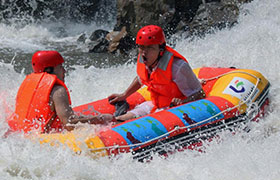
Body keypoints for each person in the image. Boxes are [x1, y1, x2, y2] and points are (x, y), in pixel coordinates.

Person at [108, 25, 205, 121]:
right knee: (120, 119)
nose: (144, 53)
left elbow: (200, 94)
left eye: (150, 48)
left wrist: (183, 102)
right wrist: (124, 95)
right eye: (141, 47)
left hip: (175, 110)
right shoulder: (145, 59)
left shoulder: (177, 67)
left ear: (161, 49)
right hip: (155, 105)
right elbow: (140, 78)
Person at [7, 50, 114, 134]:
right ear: (49, 70)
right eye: (60, 67)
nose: (64, 71)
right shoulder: (57, 90)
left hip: (21, 135)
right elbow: (69, 124)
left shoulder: (27, 84)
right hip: (43, 141)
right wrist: (99, 119)